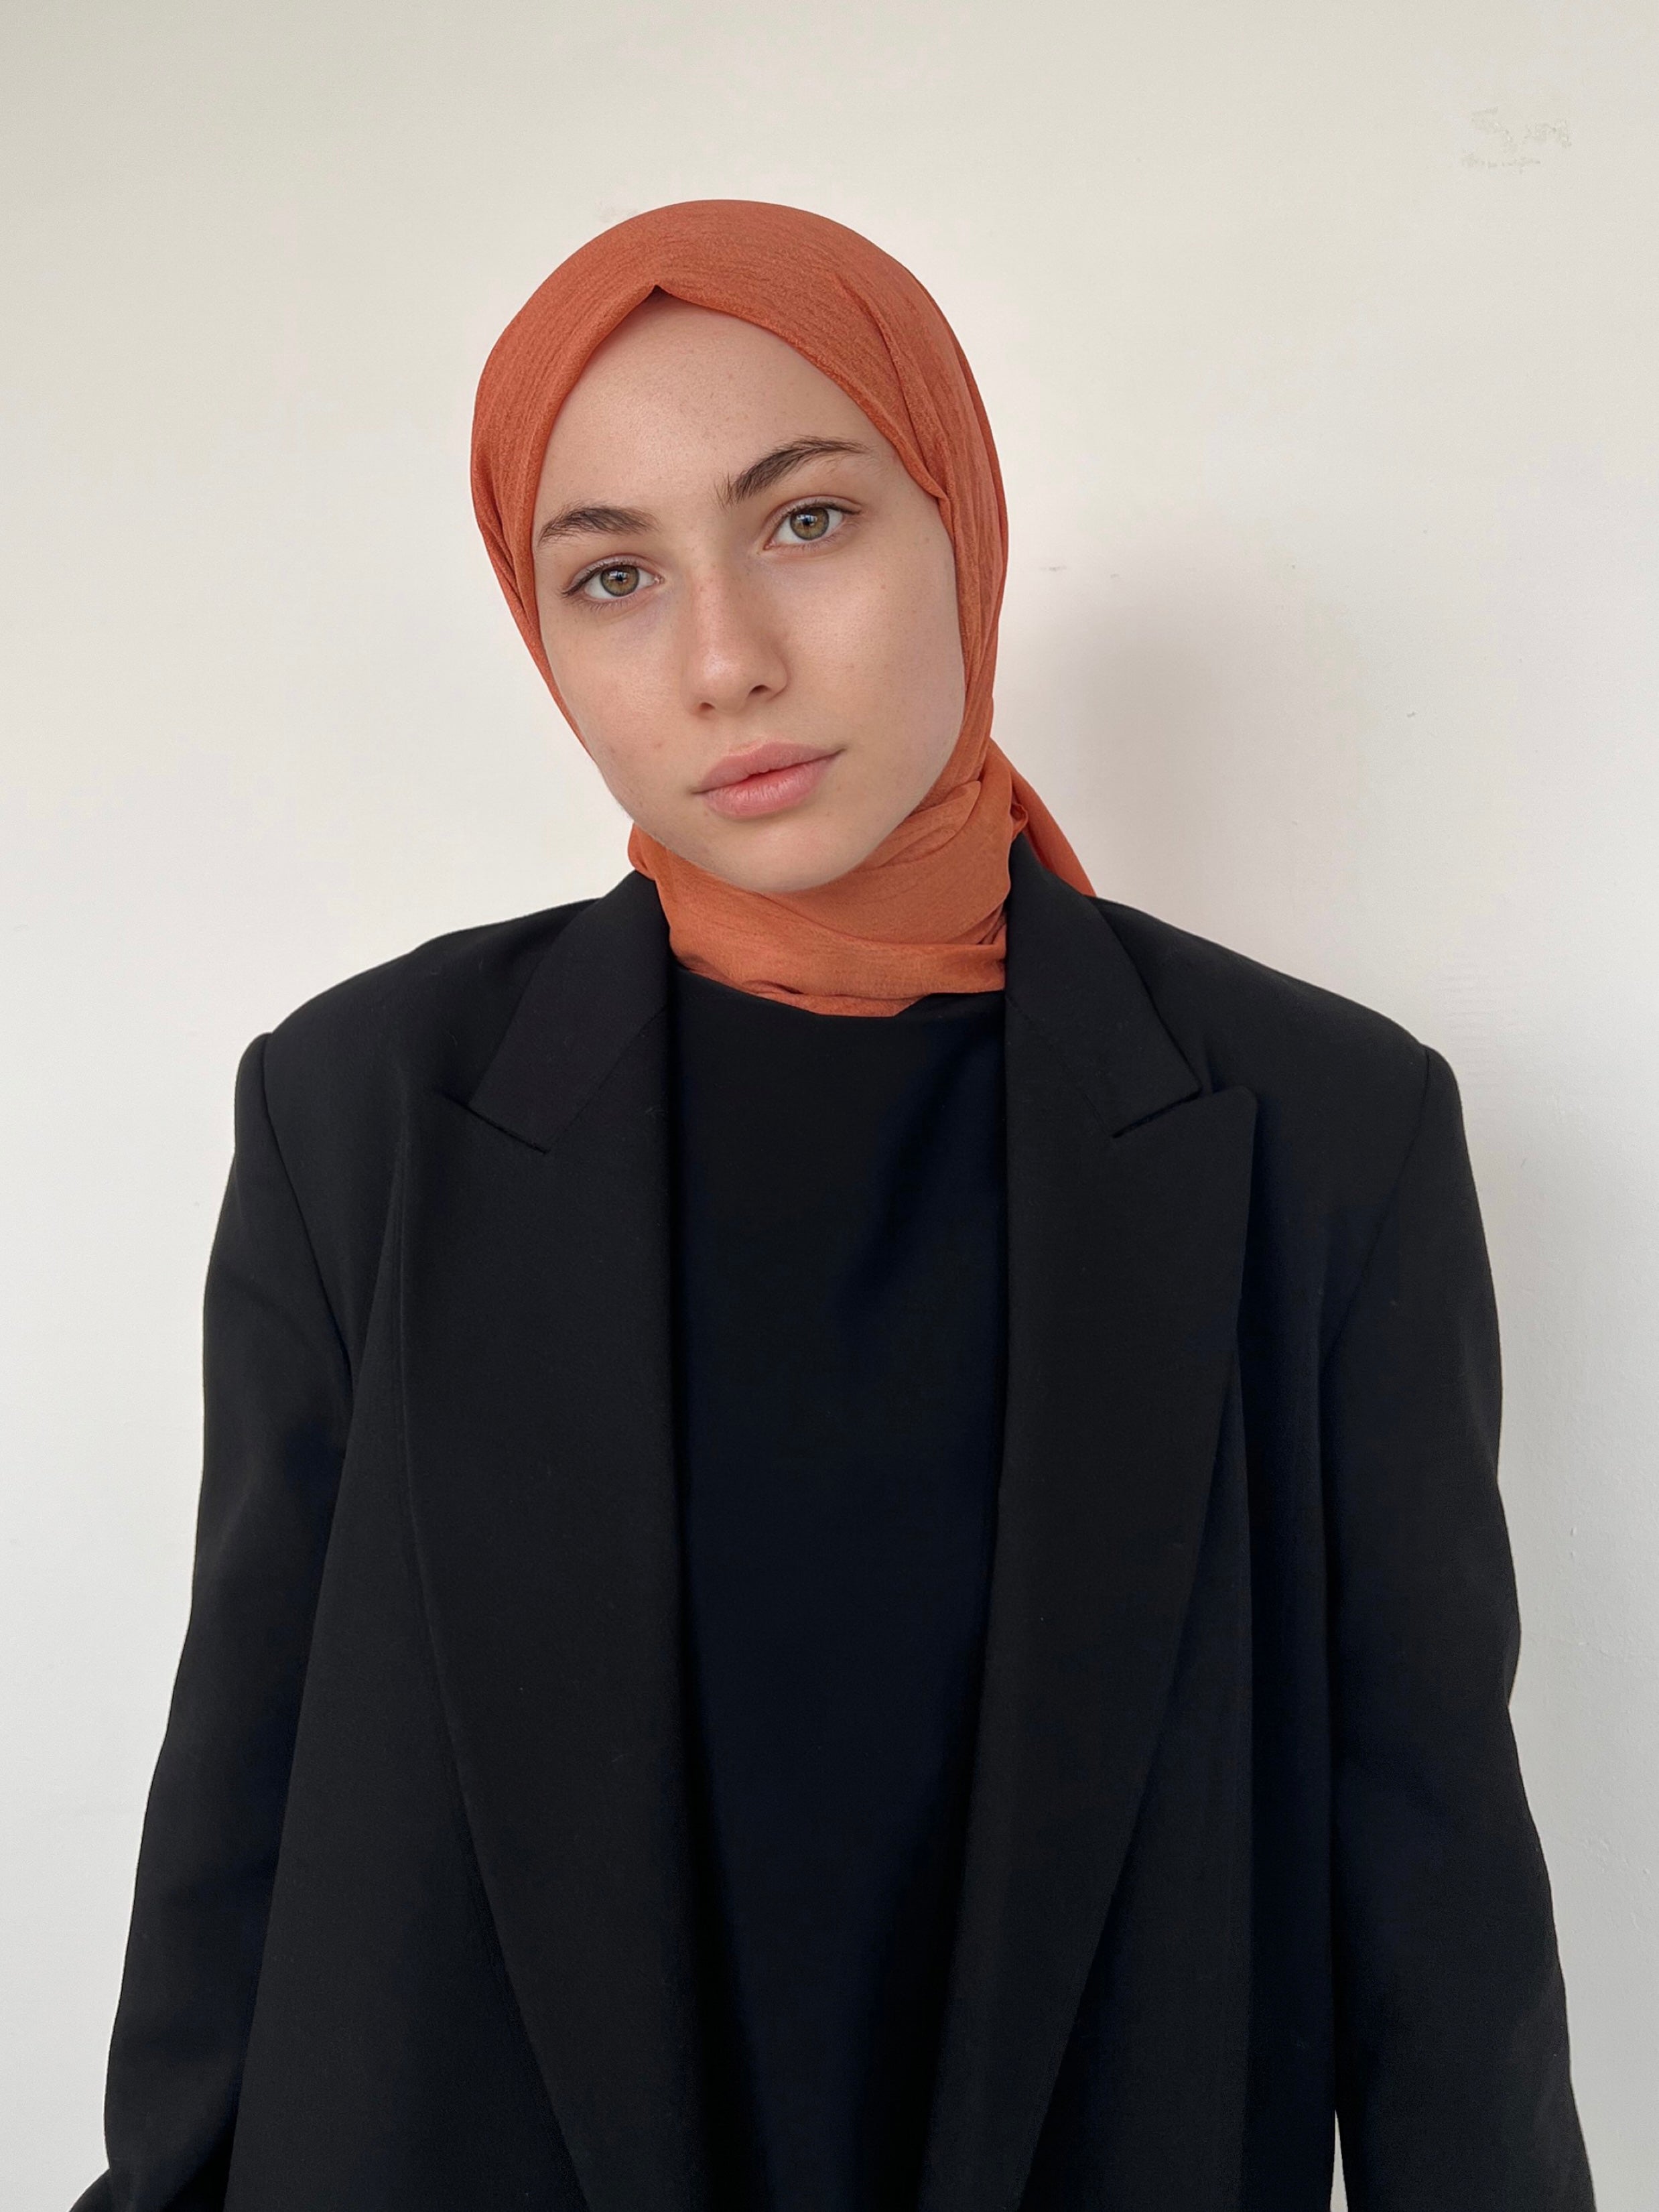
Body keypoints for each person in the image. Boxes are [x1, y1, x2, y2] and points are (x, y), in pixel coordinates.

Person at [74, 201, 1593, 2212]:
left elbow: (1433, 1893)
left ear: (960, 517)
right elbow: (238, 1819)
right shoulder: (365, 1110)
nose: (726, 662)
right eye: (613, 576)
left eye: (805, 520)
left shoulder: (1324, 1129)